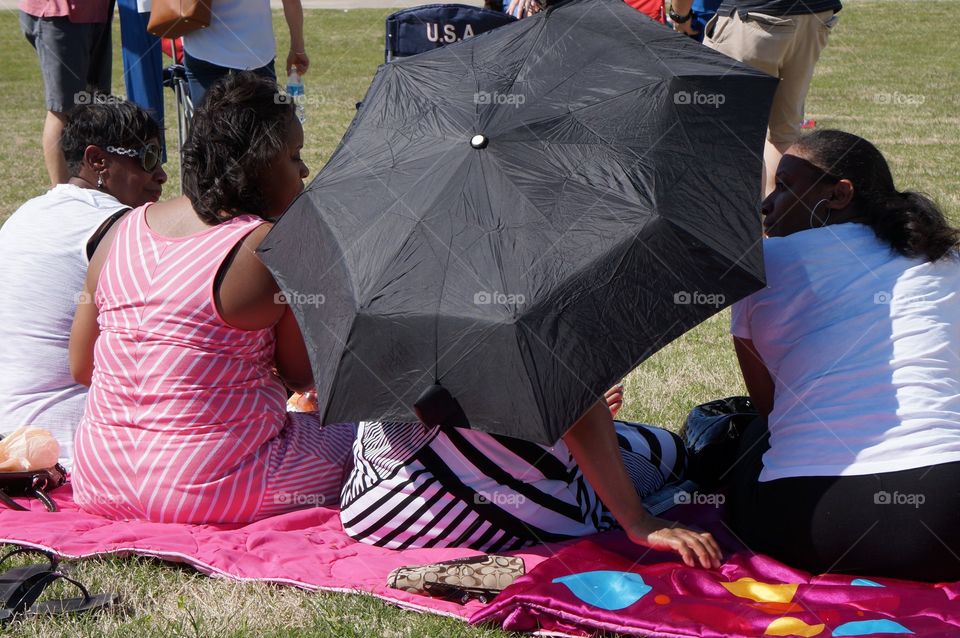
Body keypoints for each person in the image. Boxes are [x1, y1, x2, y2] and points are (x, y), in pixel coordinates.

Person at [69, 73, 355, 524]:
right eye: (294, 156)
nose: (303, 171)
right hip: (214, 489)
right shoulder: (265, 247)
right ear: (259, 163)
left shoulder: (119, 231)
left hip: (98, 479)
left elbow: (83, 367)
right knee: (367, 437)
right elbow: (305, 377)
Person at [729, 129, 960, 582]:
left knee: (753, 434)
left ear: (838, 194)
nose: (767, 204)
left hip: (813, 524)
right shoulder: (944, 259)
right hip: (949, 523)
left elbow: (770, 409)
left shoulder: (761, 266)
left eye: (786, 187)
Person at [341, 385, 722, 568]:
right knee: (666, 450)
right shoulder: (522, 290)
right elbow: (575, 408)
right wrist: (637, 520)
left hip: (376, 506)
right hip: (499, 504)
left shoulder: (394, 291)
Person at [0, 101, 167, 471]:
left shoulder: (26, 213)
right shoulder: (121, 225)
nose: (161, 175)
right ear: (97, 161)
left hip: (10, 438)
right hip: (72, 449)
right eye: (149, 157)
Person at [702, 0, 841, 195]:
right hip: (814, 13)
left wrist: (679, 15)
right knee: (784, 133)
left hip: (755, 16)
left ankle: (744, 221)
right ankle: (775, 219)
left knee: (729, 135)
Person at [19, 0, 115, 186]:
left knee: (97, 107)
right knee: (64, 109)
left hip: (96, 11)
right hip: (60, 15)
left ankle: (90, 189)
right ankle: (63, 198)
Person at [182, 0, 309, 107]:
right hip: (254, 49)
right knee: (262, 128)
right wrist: (297, 47)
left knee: (207, 127)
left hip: (202, 46)